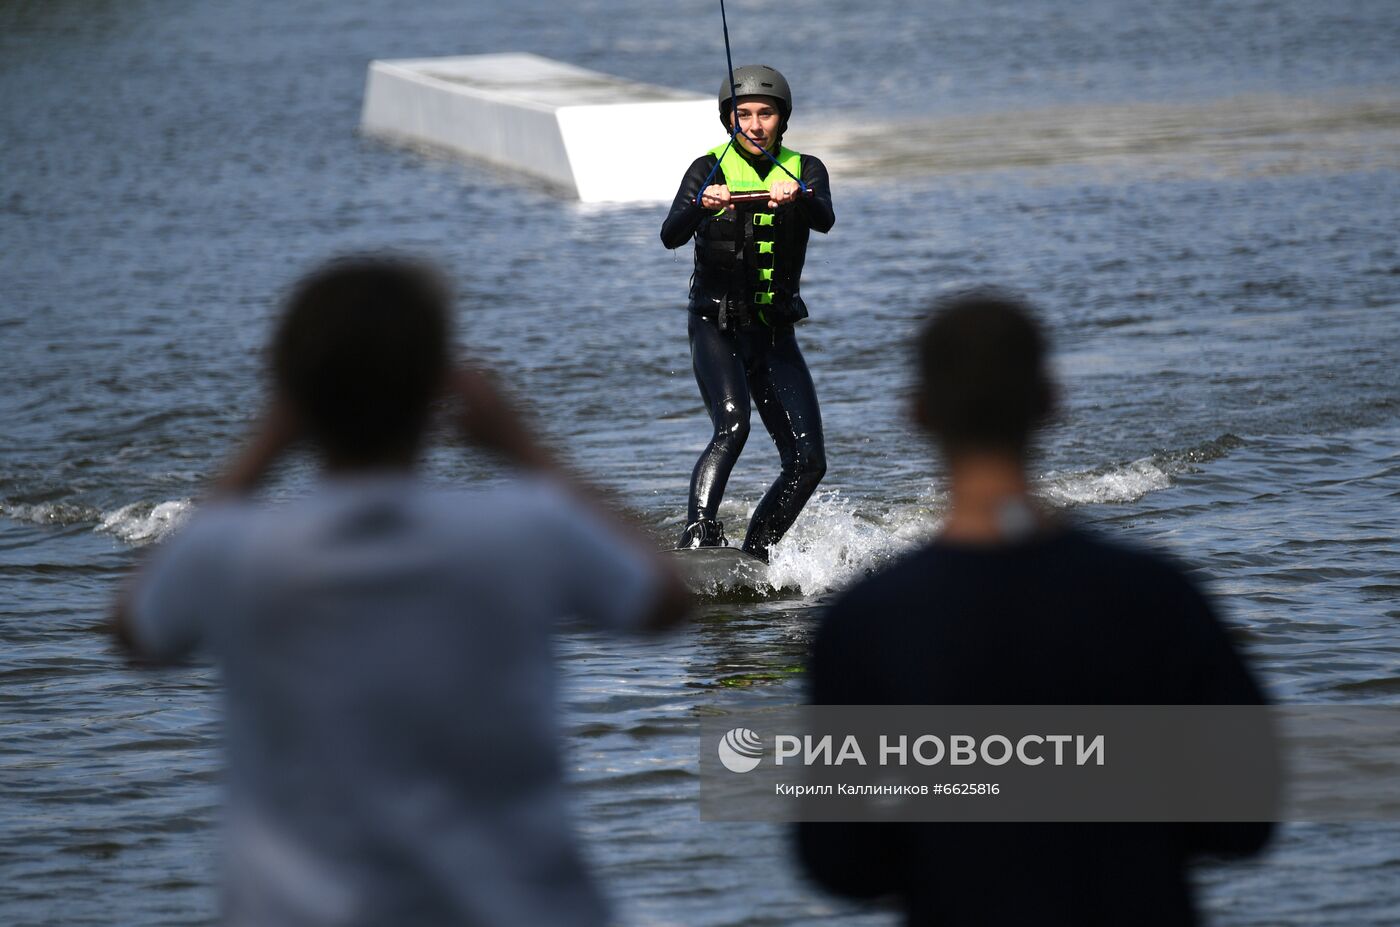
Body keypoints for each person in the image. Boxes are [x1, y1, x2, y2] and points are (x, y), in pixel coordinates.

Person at [111, 256, 689, 926]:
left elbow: (135, 631)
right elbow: (664, 600)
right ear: (440, 387)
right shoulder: (523, 528)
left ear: (291, 391)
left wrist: (262, 445)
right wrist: (525, 448)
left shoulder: (234, 550)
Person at [795, 290, 1271, 926]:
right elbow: (1245, 821)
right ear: (1051, 402)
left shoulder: (864, 623)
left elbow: (839, 861)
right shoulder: (1156, 596)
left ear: (917, 413)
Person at [659, 64, 835, 561]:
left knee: (808, 461)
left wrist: (797, 197)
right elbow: (670, 233)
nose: (755, 125)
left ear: (783, 119)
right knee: (733, 427)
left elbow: (824, 219)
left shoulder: (805, 169)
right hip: (716, 327)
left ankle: (755, 555)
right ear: (728, 120)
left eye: (766, 114)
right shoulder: (706, 168)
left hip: (774, 334)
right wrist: (700, 205)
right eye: (743, 115)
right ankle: (697, 534)